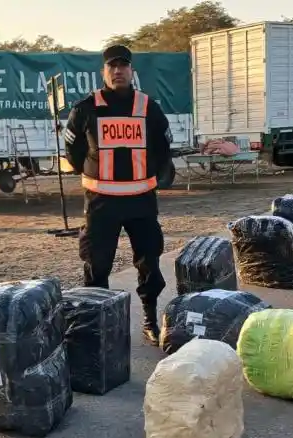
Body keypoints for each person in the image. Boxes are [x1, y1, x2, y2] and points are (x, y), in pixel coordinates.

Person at [63, 44, 173, 346]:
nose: (118, 71)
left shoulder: (148, 106)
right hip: (102, 204)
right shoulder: (86, 108)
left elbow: (164, 148)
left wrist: (149, 174)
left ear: (131, 71)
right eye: (112, 66)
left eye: (123, 65)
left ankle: (150, 320)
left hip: (141, 201)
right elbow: (73, 152)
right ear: (103, 72)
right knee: (97, 266)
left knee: (149, 262)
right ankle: (97, 327)